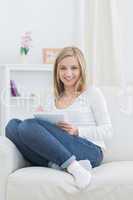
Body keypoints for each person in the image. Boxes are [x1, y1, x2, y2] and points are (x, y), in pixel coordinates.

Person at [5, 46, 113, 190]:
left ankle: (74, 168)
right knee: (12, 126)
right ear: (57, 70)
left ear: (81, 69)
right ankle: (64, 164)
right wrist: (40, 118)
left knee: (26, 126)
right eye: (63, 68)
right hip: (61, 146)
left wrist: (77, 131)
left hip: (90, 150)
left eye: (74, 68)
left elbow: (108, 130)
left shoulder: (92, 93)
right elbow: (39, 132)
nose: (68, 73)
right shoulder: (52, 97)